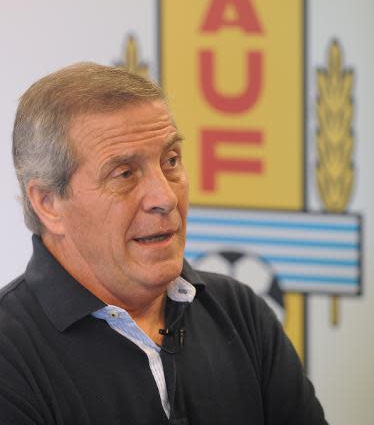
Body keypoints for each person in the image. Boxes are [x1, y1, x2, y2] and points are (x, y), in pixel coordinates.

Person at [0, 63, 328, 424]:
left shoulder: (240, 312)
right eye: (124, 174)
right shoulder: (9, 352)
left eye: (171, 160)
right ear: (48, 203)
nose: (165, 197)